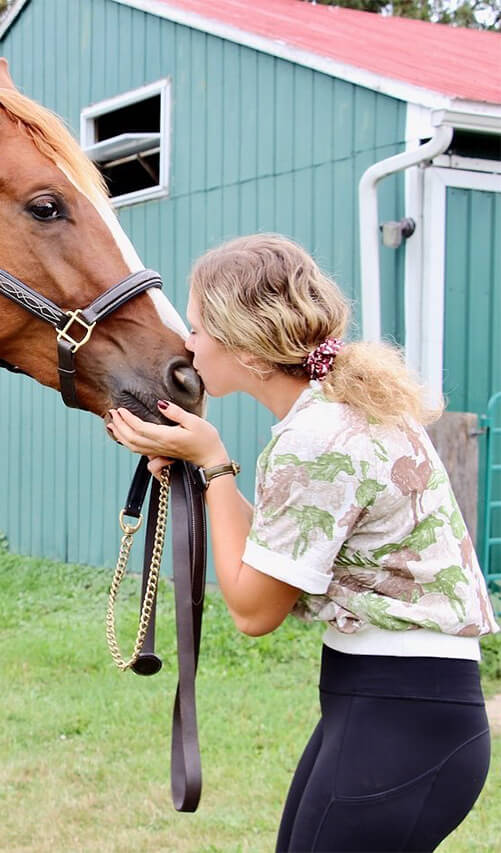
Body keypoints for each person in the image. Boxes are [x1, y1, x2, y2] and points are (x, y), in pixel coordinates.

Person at [107, 233, 499, 852]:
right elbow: (284, 552)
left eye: (201, 325)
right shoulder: (341, 414)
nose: (188, 342)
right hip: (394, 707)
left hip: (398, 714)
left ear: (248, 346)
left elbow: (254, 609)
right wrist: (200, 472)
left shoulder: (316, 439)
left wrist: (211, 463)